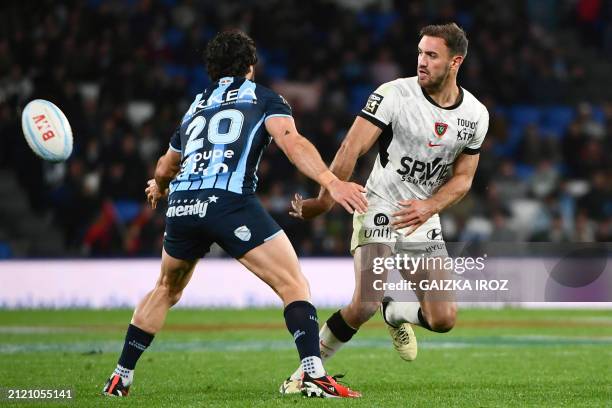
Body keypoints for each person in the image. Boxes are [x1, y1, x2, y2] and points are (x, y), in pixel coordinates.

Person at [102, 29, 365, 399]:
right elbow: (293, 143)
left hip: (182, 205)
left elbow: (166, 165)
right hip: (228, 202)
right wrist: (330, 181)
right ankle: (312, 373)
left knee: (165, 288)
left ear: (212, 70)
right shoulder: (262, 98)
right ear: (251, 67)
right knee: (293, 284)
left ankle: (119, 376)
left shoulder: (195, 106)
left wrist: (160, 188)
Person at [281, 23, 489, 393]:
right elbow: (351, 148)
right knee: (364, 303)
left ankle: (394, 313)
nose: (421, 61)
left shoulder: (475, 114)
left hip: (420, 216)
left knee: (443, 319)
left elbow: (464, 179)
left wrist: (429, 206)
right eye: (420, 53)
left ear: (455, 62)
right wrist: (325, 200)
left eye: (432, 55)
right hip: (378, 205)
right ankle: (305, 375)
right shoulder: (394, 94)